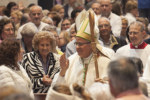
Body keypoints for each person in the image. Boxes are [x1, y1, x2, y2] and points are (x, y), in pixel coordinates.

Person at [51, 9, 111, 88]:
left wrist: (104, 85)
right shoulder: (71, 61)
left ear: (92, 45)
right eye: (76, 43)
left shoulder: (106, 62)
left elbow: (116, 88)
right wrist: (63, 72)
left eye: (80, 44)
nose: (77, 47)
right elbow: (55, 88)